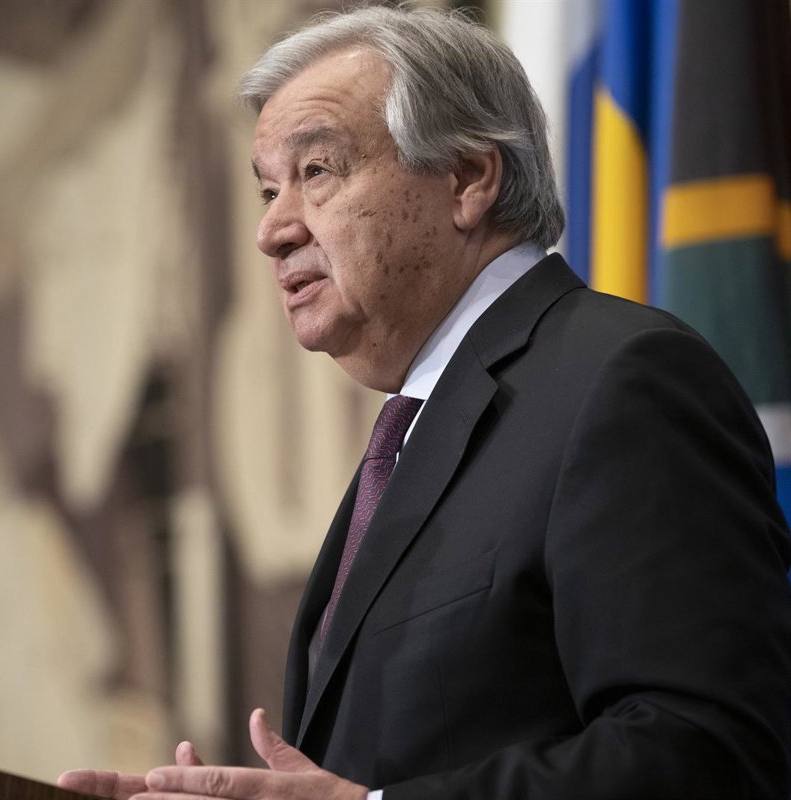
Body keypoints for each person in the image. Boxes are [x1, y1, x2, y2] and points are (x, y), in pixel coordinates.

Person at [58, 6, 791, 798]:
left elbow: (709, 752)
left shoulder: (624, 382)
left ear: (469, 177)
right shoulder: (417, 428)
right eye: (268, 190)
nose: (272, 230)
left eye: (316, 172)